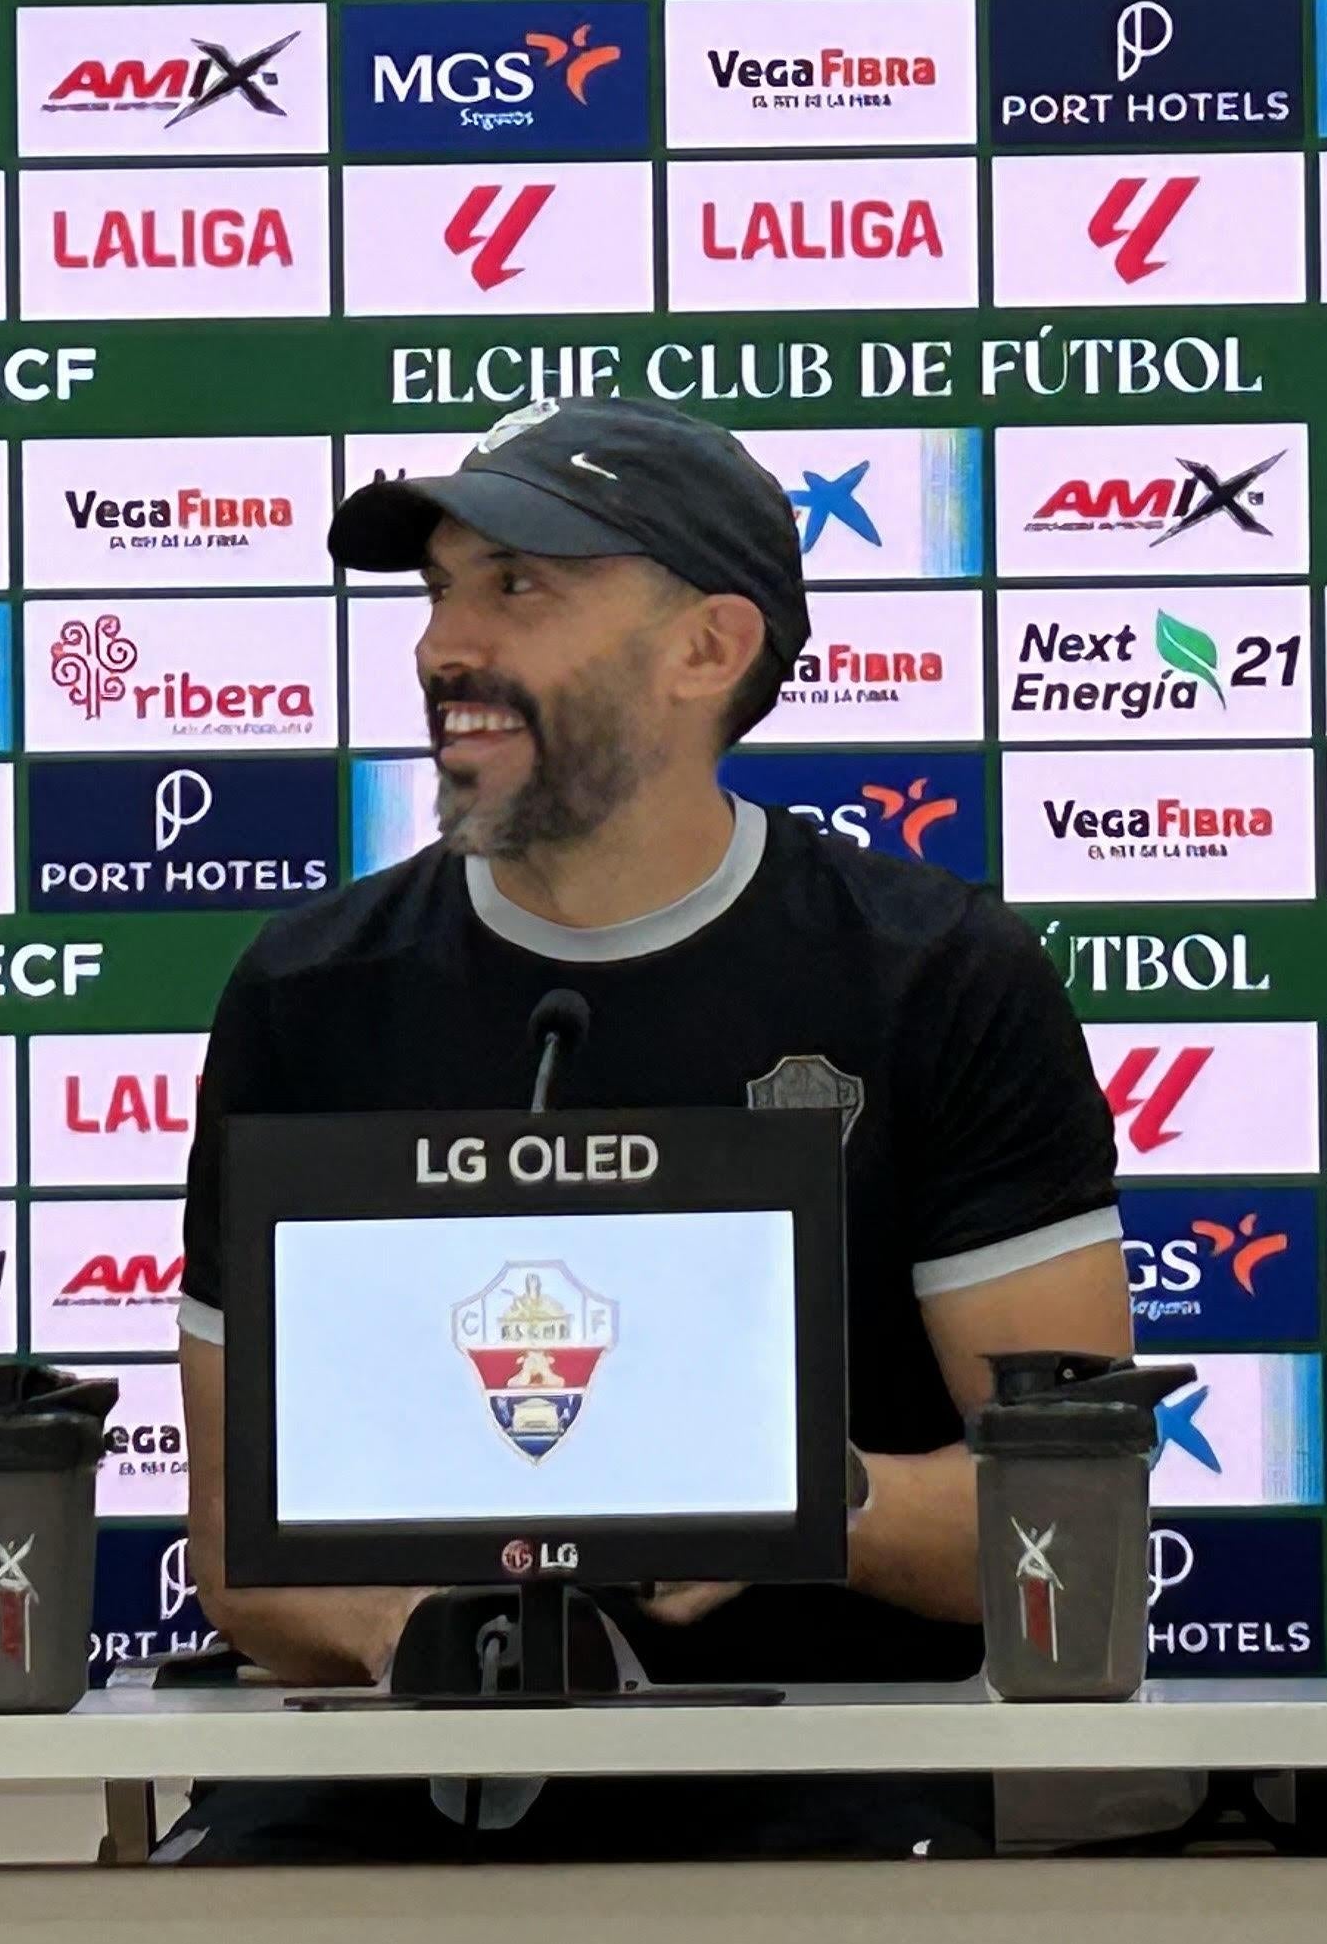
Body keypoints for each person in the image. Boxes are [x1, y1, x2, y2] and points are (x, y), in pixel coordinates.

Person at [162, 398, 1130, 1860]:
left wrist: (787, 1498)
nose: (443, 646)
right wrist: (415, 1635)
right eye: (439, 590)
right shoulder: (313, 994)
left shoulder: (931, 979)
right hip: (388, 1778)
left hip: (819, 1777)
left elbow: (1073, 1540)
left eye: (518, 586)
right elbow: (238, 1548)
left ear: (708, 650)